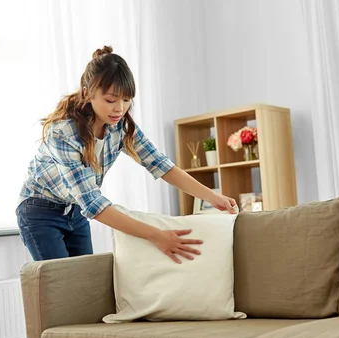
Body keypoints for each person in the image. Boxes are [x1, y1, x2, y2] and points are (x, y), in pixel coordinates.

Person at [16, 45, 237, 264]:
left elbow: (161, 165)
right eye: (111, 100)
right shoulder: (63, 133)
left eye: (126, 99)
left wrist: (212, 197)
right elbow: (92, 203)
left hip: (74, 210)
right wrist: (156, 235)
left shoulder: (120, 127)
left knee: (84, 285)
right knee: (60, 287)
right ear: (87, 93)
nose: (120, 109)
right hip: (39, 211)